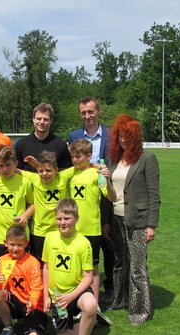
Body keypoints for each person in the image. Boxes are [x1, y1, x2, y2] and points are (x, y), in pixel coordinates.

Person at [105, 114, 160, 325]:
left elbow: (154, 195)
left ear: (135, 136)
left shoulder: (148, 159)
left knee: (137, 267)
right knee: (120, 263)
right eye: (119, 136)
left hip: (137, 221)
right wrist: (107, 221)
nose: (123, 140)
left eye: (127, 136)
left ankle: (140, 310)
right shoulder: (114, 161)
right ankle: (120, 300)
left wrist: (151, 225)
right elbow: (111, 192)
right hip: (116, 218)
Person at [68, 96, 115, 303]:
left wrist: (104, 175)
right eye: (83, 113)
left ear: (98, 111)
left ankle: (111, 287)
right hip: (84, 196)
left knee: (108, 244)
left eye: (90, 112)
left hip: (103, 189)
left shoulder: (111, 135)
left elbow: (117, 162)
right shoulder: (74, 135)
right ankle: (81, 293)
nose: (87, 116)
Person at [65, 139, 115, 326]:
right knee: (77, 268)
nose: (75, 160)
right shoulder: (71, 175)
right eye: (73, 156)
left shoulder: (96, 174)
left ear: (88, 156)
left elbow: (112, 197)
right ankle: (79, 305)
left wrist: (106, 180)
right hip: (73, 231)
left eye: (78, 156)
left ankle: (95, 307)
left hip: (91, 230)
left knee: (92, 269)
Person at [42, 199, 97, 335]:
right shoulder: (50, 238)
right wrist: (46, 295)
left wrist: (71, 296)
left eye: (67, 218)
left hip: (77, 291)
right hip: (58, 295)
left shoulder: (83, 243)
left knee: (90, 304)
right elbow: (46, 267)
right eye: (59, 218)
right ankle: (90, 321)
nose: (62, 222)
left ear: (76, 219)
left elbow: (89, 277)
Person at [0, 225, 47, 335]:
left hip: (33, 306)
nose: (15, 248)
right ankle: (8, 327)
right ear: (5, 243)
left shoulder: (32, 262)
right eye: (12, 244)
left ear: (26, 244)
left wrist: (32, 303)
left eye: (19, 245)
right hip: (16, 303)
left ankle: (31, 323)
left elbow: (37, 287)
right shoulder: (4, 260)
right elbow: (1, 287)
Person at [0, 146, 34, 273]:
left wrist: (25, 216)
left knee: (20, 273)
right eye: (0, 165)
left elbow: (33, 204)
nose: (4, 169)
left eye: (8, 165)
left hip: (19, 238)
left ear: (16, 164)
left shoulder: (24, 182)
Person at [21, 151, 70, 261]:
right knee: (38, 265)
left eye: (48, 170)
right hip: (38, 232)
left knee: (55, 263)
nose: (44, 174)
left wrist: (97, 166)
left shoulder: (63, 177)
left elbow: (81, 166)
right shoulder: (35, 178)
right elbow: (14, 169)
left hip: (57, 231)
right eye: (41, 171)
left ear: (56, 170)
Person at [14, 103, 71, 172]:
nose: (42, 122)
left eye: (46, 119)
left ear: (51, 121)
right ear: (33, 119)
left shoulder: (61, 145)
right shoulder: (21, 145)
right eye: (38, 118)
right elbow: (16, 171)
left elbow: (65, 171)